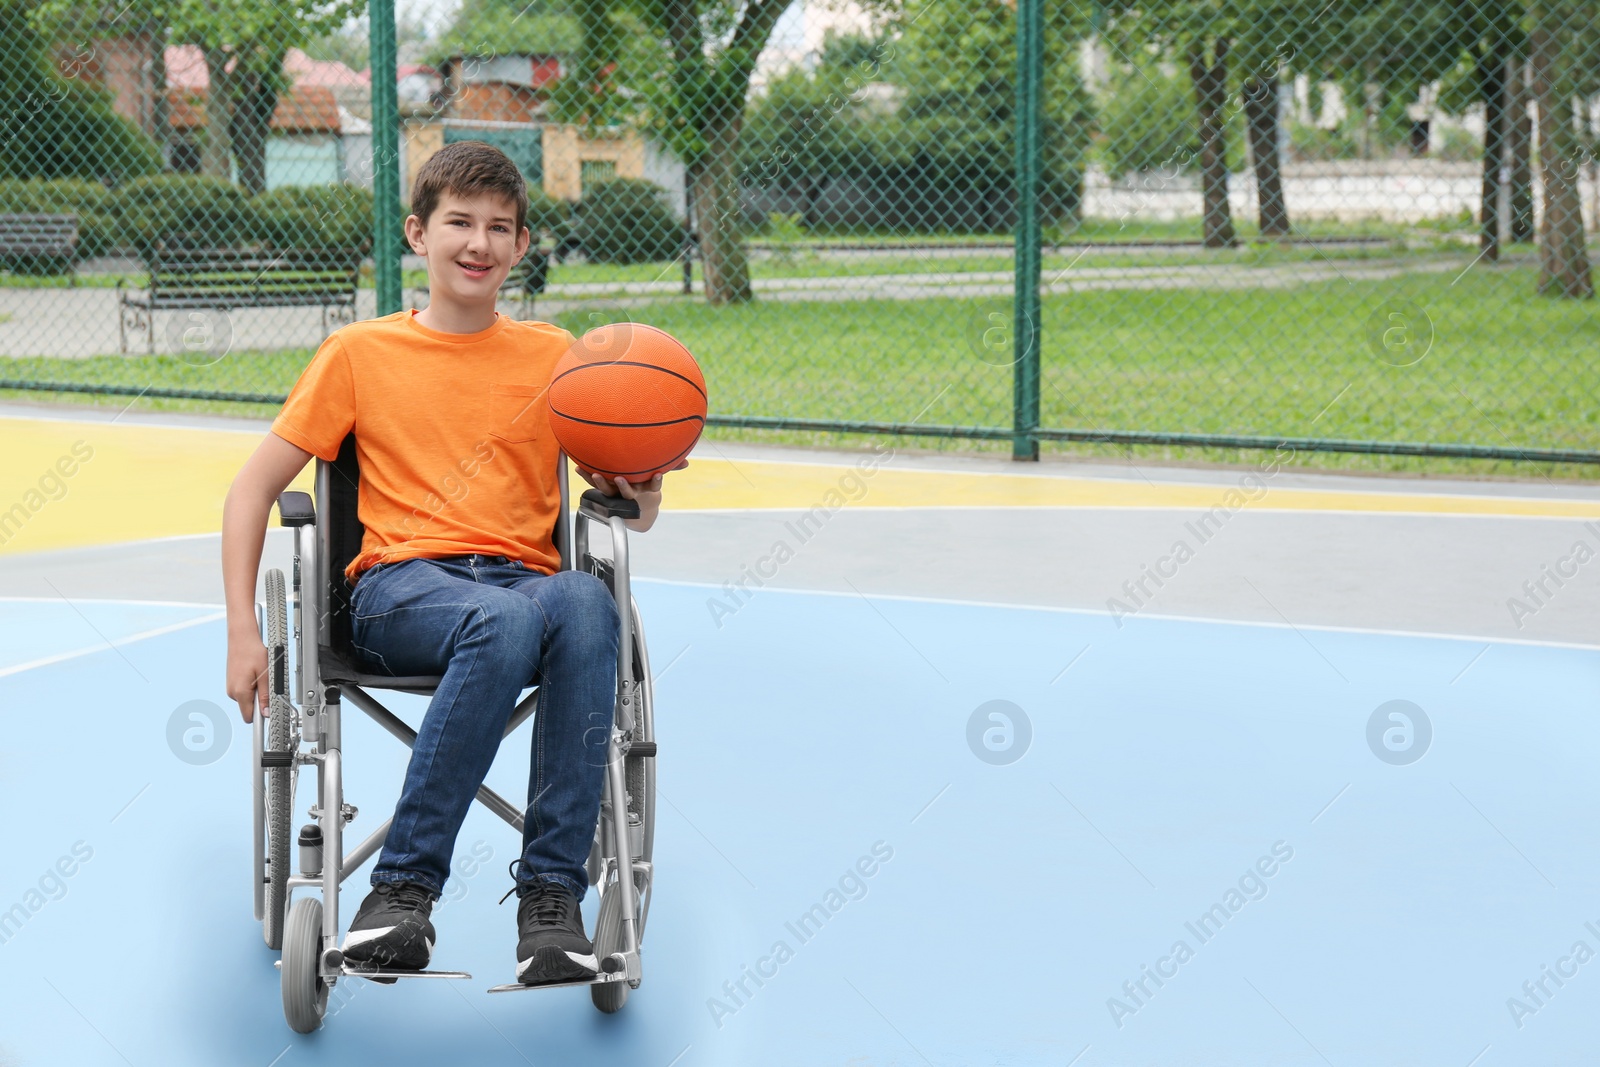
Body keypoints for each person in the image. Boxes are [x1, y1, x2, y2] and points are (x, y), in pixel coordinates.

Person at [221, 140, 684, 986]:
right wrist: (244, 632)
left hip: (523, 588)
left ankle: (553, 902)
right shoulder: (359, 354)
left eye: (498, 227)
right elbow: (250, 492)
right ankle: (401, 889)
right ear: (418, 233)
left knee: (586, 600)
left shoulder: (558, 360)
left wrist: (643, 479)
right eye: (459, 223)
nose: (478, 243)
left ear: (520, 245)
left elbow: (632, 512)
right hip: (400, 591)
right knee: (508, 615)